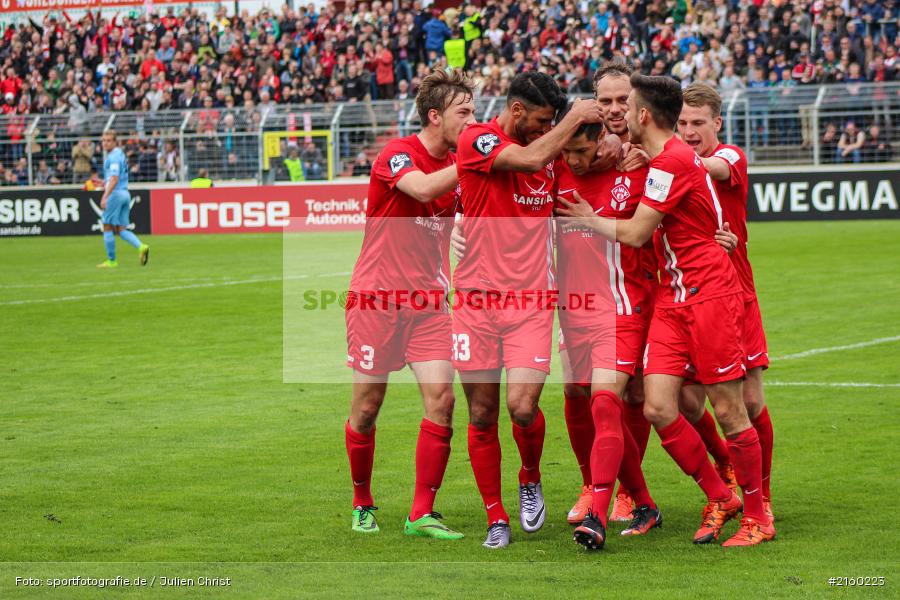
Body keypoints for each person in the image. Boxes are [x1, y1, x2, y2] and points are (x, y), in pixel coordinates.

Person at [556, 73, 774, 547]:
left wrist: (589, 219)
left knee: (731, 409)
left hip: (710, 296)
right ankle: (722, 496)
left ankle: (758, 515)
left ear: (644, 115)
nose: (620, 115)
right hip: (673, 298)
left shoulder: (672, 160)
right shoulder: (661, 159)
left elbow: (636, 233)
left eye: (627, 106)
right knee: (658, 406)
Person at [453, 71, 601, 549]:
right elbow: (533, 154)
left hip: (532, 302)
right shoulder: (477, 139)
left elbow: (580, 171)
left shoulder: (550, 158)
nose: (546, 129)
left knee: (520, 406)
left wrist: (613, 150)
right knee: (480, 413)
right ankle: (495, 517)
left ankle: (530, 476)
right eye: (540, 120)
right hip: (475, 302)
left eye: (552, 122)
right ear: (516, 111)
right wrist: (574, 116)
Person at [343, 69, 476, 540]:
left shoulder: (463, 168)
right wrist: (481, 157)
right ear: (435, 115)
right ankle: (362, 503)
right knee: (367, 406)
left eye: (475, 113)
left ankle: (421, 514)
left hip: (430, 303)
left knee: (442, 400)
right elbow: (421, 189)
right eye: (464, 113)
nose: (472, 121)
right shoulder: (398, 154)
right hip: (376, 299)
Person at [552, 65, 661, 550]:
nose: (616, 110)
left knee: (631, 397)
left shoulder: (638, 163)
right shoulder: (556, 160)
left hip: (627, 299)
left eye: (623, 101)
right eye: (607, 101)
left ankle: (613, 496)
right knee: (580, 394)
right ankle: (602, 485)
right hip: (572, 305)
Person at [676, 83, 776, 524]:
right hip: (692, 296)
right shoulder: (672, 165)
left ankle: (763, 496)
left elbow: (709, 167)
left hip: (737, 293)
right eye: (680, 123)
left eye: (697, 123)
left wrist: (664, 154)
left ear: (717, 122)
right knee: (685, 403)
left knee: (750, 403)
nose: (689, 131)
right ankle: (726, 464)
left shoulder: (729, 157)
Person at [97, 131, 150, 269]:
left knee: (107, 225)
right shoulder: (120, 154)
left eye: (108, 140)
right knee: (121, 229)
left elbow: (114, 178)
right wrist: (105, 182)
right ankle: (141, 246)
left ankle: (112, 261)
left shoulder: (113, 157)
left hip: (115, 194)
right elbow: (114, 177)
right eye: (103, 140)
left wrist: (105, 195)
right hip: (125, 193)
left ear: (115, 142)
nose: (105, 143)